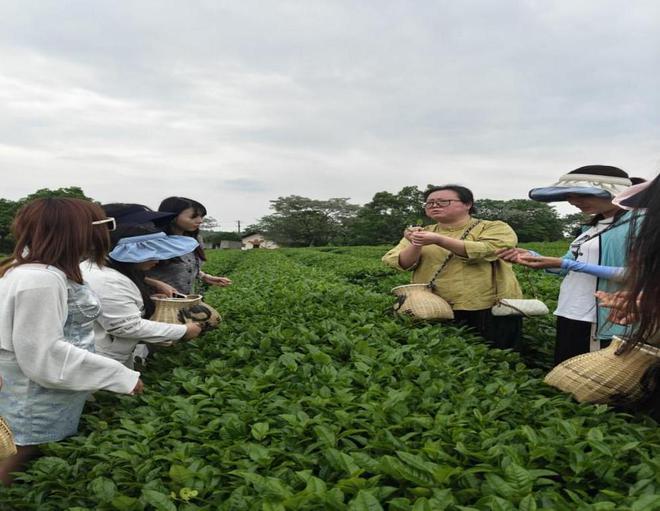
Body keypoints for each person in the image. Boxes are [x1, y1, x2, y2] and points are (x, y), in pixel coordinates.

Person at [0, 198, 143, 485]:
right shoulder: (40, 279)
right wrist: (118, 375)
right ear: (74, 232)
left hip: (46, 387)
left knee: (27, 454)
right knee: (20, 453)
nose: (101, 235)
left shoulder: (41, 270)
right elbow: (44, 353)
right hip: (35, 391)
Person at [498, 165, 636, 364]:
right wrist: (533, 257)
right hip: (572, 310)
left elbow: (638, 275)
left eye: (582, 195)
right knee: (567, 371)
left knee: (594, 380)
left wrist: (566, 264)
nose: (574, 202)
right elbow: (566, 267)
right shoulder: (591, 228)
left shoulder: (639, 224)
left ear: (615, 191)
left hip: (604, 314)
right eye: (569, 196)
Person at [382, 185, 524, 349]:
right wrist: (416, 242)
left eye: (443, 202)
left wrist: (439, 240)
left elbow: (490, 249)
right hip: (431, 306)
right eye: (430, 203)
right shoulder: (421, 232)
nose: (434, 206)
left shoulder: (494, 227)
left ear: (467, 204)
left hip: (486, 305)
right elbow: (398, 262)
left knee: (494, 354)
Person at [81, 221, 204, 368]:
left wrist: (148, 300)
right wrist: (183, 331)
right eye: (151, 255)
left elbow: (110, 306)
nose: (158, 260)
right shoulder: (107, 280)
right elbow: (126, 327)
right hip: (99, 361)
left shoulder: (104, 270)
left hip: (104, 355)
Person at [147, 197, 232, 295]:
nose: (200, 221)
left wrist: (205, 277)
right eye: (193, 216)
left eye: (201, 216)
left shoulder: (194, 240)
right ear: (172, 216)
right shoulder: (152, 241)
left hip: (185, 301)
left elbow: (187, 267)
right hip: (158, 303)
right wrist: (157, 284)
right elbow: (132, 272)